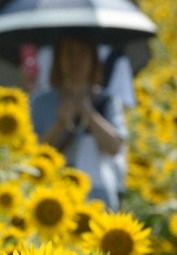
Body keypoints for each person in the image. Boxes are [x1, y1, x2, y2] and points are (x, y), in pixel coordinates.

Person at [31, 37, 128, 211]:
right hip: (50, 200)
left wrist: (89, 114)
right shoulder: (41, 101)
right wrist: (60, 124)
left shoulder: (107, 101)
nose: (76, 61)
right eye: (69, 54)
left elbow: (115, 146)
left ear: (93, 60)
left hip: (98, 197)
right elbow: (31, 152)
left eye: (83, 54)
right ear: (58, 60)